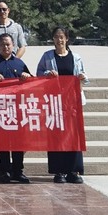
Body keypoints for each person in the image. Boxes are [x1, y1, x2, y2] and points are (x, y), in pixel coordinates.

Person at [36, 25, 88, 184]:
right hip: (54, 101)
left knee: (74, 135)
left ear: (67, 39)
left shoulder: (76, 57)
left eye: (62, 37)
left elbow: (84, 76)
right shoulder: (47, 56)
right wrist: (48, 74)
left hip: (72, 101)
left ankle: (73, 170)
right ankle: (59, 171)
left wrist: (81, 77)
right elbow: (38, 74)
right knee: (56, 135)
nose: (59, 40)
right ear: (53, 39)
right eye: (56, 37)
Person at [0, 33, 32, 183]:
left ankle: (18, 171)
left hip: (17, 108)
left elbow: (32, 81)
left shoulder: (20, 63)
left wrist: (27, 76)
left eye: (8, 44)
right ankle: (5, 171)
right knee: (2, 141)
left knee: (18, 141)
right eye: (2, 44)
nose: (5, 47)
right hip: (0, 108)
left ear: (13, 45)